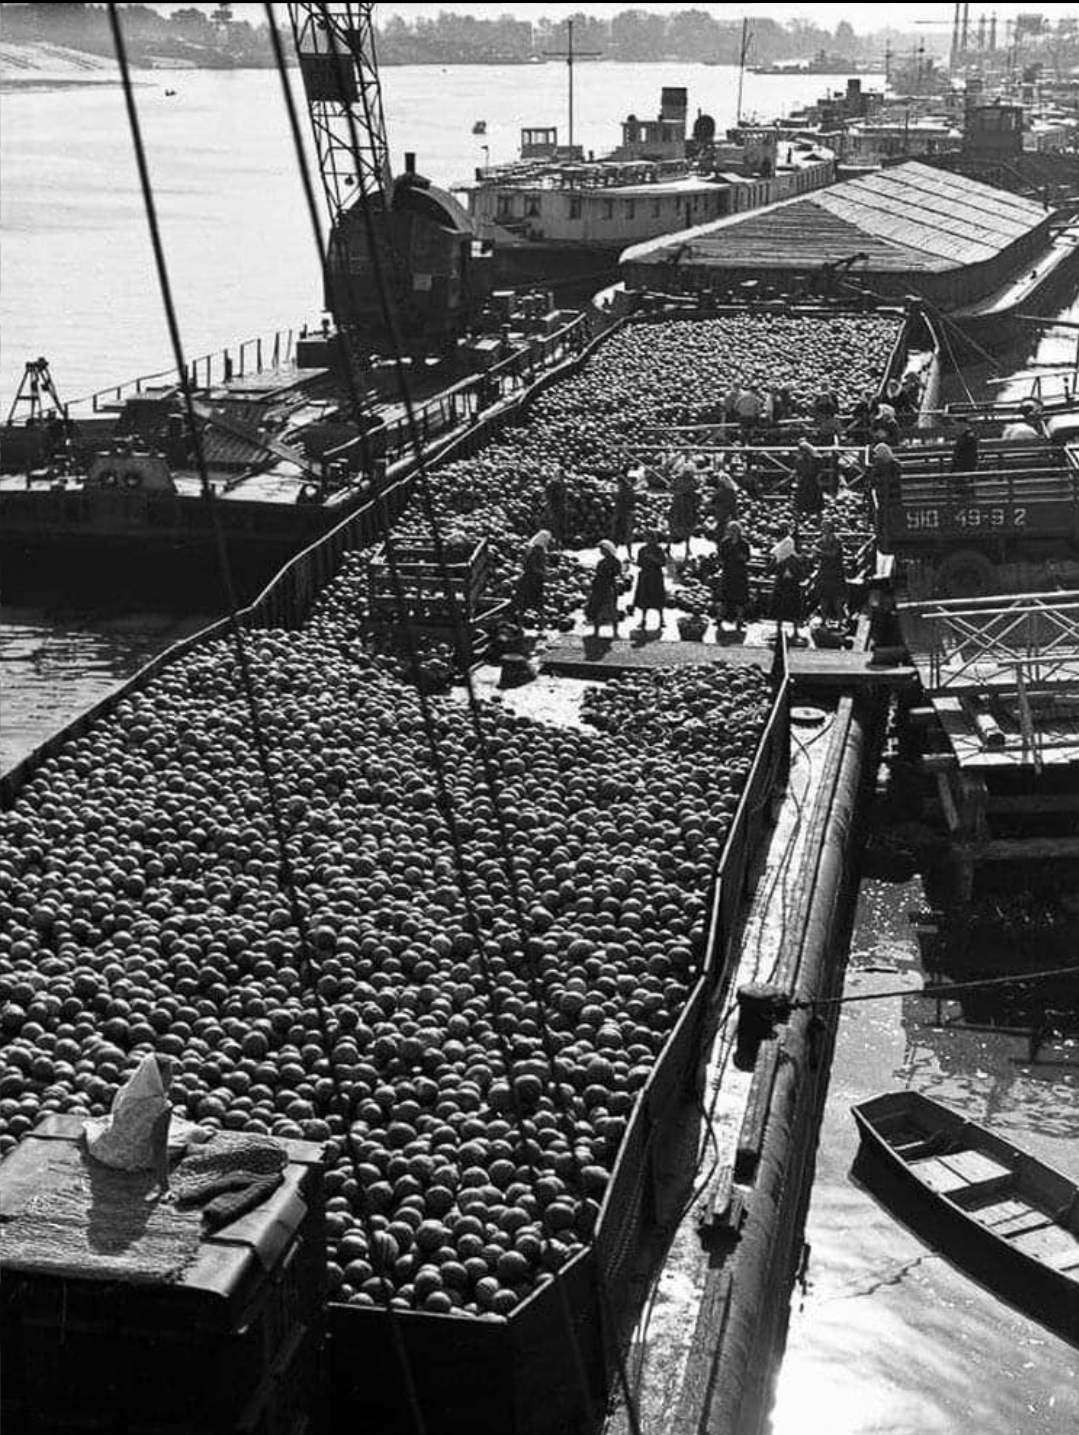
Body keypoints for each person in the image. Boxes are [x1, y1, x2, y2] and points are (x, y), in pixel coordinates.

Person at [770, 525, 807, 644]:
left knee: (794, 608)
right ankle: (778, 629)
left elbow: (802, 573)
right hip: (781, 582)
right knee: (779, 607)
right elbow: (771, 568)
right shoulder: (779, 556)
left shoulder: (796, 559)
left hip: (792, 584)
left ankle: (795, 631)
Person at [812, 517, 847, 627]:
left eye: (826, 527)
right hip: (824, 571)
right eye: (823, 527)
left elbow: (833, 554)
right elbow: (815, 556)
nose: (824, 529)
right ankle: (823, 620)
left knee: (837, 598)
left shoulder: (837, 540)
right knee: (823, 598)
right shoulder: (820, 541)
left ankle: (840, 621)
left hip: (836, 571)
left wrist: (818, 551)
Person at [513, 529, 552, 628]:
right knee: (538, 603)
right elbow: (533, 566)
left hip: (529, 579)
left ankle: (520, 625)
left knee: (524, 603)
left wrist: (545, 572)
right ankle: (542, 625)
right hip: (533, 580)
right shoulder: (538, 551)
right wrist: (545, 574)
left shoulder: (533, 549)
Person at [717, 519, 751, 629]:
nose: (733, 532)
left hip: (740, 573)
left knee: (740, 599)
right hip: (728, 571)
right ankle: (719, 618)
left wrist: (742, 557)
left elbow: (747, 557)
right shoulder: (725, 542)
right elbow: (721, 555)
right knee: (724, 597)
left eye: (735, 530)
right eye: (731, 530)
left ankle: (740, 619)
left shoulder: (744, 544)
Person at [585, 540, 622, 638]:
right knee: (599, 608)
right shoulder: (603, 562)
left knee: (610, 609)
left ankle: (614, 632)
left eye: (603, 550)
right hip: (600, 586)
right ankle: (597, 632)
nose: (601, 552)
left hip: (608, 586)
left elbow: (616, 573)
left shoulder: (614, 562)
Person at [633, 530, 669, 631]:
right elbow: (639, 563)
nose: (647, 540)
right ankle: (643, 619)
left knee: (658, 598)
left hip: (656, 576)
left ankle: (661, 619)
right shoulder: (642, 550)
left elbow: (663, 563)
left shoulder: (659, 550)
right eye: (646, 538)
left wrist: (653, 558)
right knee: (644, 598)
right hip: (645, 575)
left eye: (649, 538)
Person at [668, 460, 699, 560]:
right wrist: (678, 492)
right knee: (673, 525)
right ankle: (669, 545)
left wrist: (693, 494)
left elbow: (698, 490)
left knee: (689, 526)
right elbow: (670, 489)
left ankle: (687, 546)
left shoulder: (693, 480)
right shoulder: (677, 479)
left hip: (689, 505)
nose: (687, 474)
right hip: (678, 504)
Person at [792, 437, 825, 517]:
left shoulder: (816, 459)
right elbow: (798, 471)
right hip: (805, 480)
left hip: (812, 480)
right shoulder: (800, 460)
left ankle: (813, 511)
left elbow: (819, 469)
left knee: (813, 496)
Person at [611, 468, 637, 558]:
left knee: (620, 535)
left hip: (624, 515)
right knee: (624, 536)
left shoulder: (623, 492)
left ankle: (625, 554)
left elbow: (620, 505)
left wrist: (615, 516)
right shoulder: (628, 490)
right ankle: (628, 554)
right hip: (626, 515)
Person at [542, 470, 569, 544]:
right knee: (554, 525)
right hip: (554, 508)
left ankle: (560, 541)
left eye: (562, 476)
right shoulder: (551, 485)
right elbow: (548, 497)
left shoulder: (563, 484)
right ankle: (555, 541)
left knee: (562, 525)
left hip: (561, 507)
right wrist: (549, 509)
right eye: (558, 476)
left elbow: (564, 497)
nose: (560, 477)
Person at [711, 466, 739, 535]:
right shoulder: (732, 491)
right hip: (728, 511)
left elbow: (714, 500)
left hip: (722, 511)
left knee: (721, 525)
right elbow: (734, 503)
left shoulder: (721, 491)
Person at [950, 417, 979, 481]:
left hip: (965, 468)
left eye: (957, 425)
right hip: (960, 468)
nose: (956, 427)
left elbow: (969, 456)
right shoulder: (963, 436)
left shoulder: (969, 437)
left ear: (963, 425)